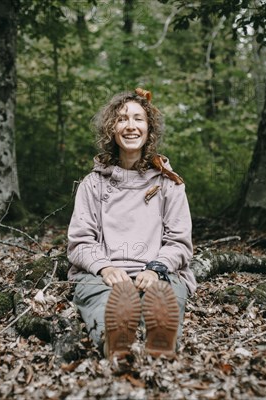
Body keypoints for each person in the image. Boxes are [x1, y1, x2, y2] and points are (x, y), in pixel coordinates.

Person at [67, 88, 196, 358]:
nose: (130, 126)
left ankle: (161, 340)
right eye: (122, 119)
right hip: (104, 275)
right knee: (100, 297)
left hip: (159, 273)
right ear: (111, 129)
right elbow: (80, 242)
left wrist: (157, 268)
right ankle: (113, 341)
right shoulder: (92, 184)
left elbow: (180, 243)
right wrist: (104, 267)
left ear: (149, 128)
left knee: (167, 293)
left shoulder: (168, 184)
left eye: (138, 119)